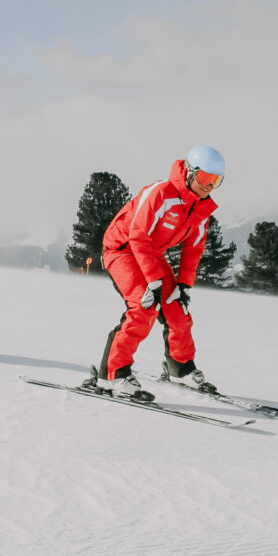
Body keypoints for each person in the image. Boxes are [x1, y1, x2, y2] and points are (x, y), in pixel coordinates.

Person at [94, 145, 225, 398]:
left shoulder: (200, 209)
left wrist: (184, 284)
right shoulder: (161, 193)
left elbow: (193, 247)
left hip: (151, 254)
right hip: (121, 250)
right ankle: (112, 375)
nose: (209, 186)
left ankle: (181, 369)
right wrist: (153, 282)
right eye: (205, 178)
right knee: (144, 306)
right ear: (189, 172)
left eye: (216, 180)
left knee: (177, 308)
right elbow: (138, 235)